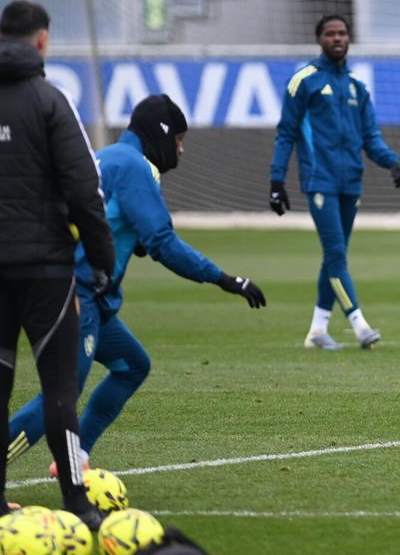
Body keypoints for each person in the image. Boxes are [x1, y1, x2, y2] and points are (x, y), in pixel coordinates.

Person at [7, 94, 266, 476]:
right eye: (178, 139)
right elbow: (164, 243)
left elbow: (114, 221)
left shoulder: (111, 156)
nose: (180, 149)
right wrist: (224, 278)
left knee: (132, 365)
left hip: (85, 292)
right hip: (78, 295)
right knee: (62, 395)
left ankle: (74, 459)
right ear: (161, 134)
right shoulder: (132, 166)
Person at [0, 0, 112, 527]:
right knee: (60, 390)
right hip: (45, 269)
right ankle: (77, 503)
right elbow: (84, 189)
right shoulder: (49, 100)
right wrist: (103, 260)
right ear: (42, 40)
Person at [269, 15, 400, 350]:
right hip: (320, 181)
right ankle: (360, 325)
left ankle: (317, 331)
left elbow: (370, 137)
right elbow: (285, 133)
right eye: (330, 33)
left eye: (342, 33)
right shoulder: (304, 81)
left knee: (335, 257)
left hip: (351, 183)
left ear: (349, 39)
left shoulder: (358, 88)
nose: (337, 38)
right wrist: (276, 180)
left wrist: (392, 162)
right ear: (319, 40)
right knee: (335, 255)